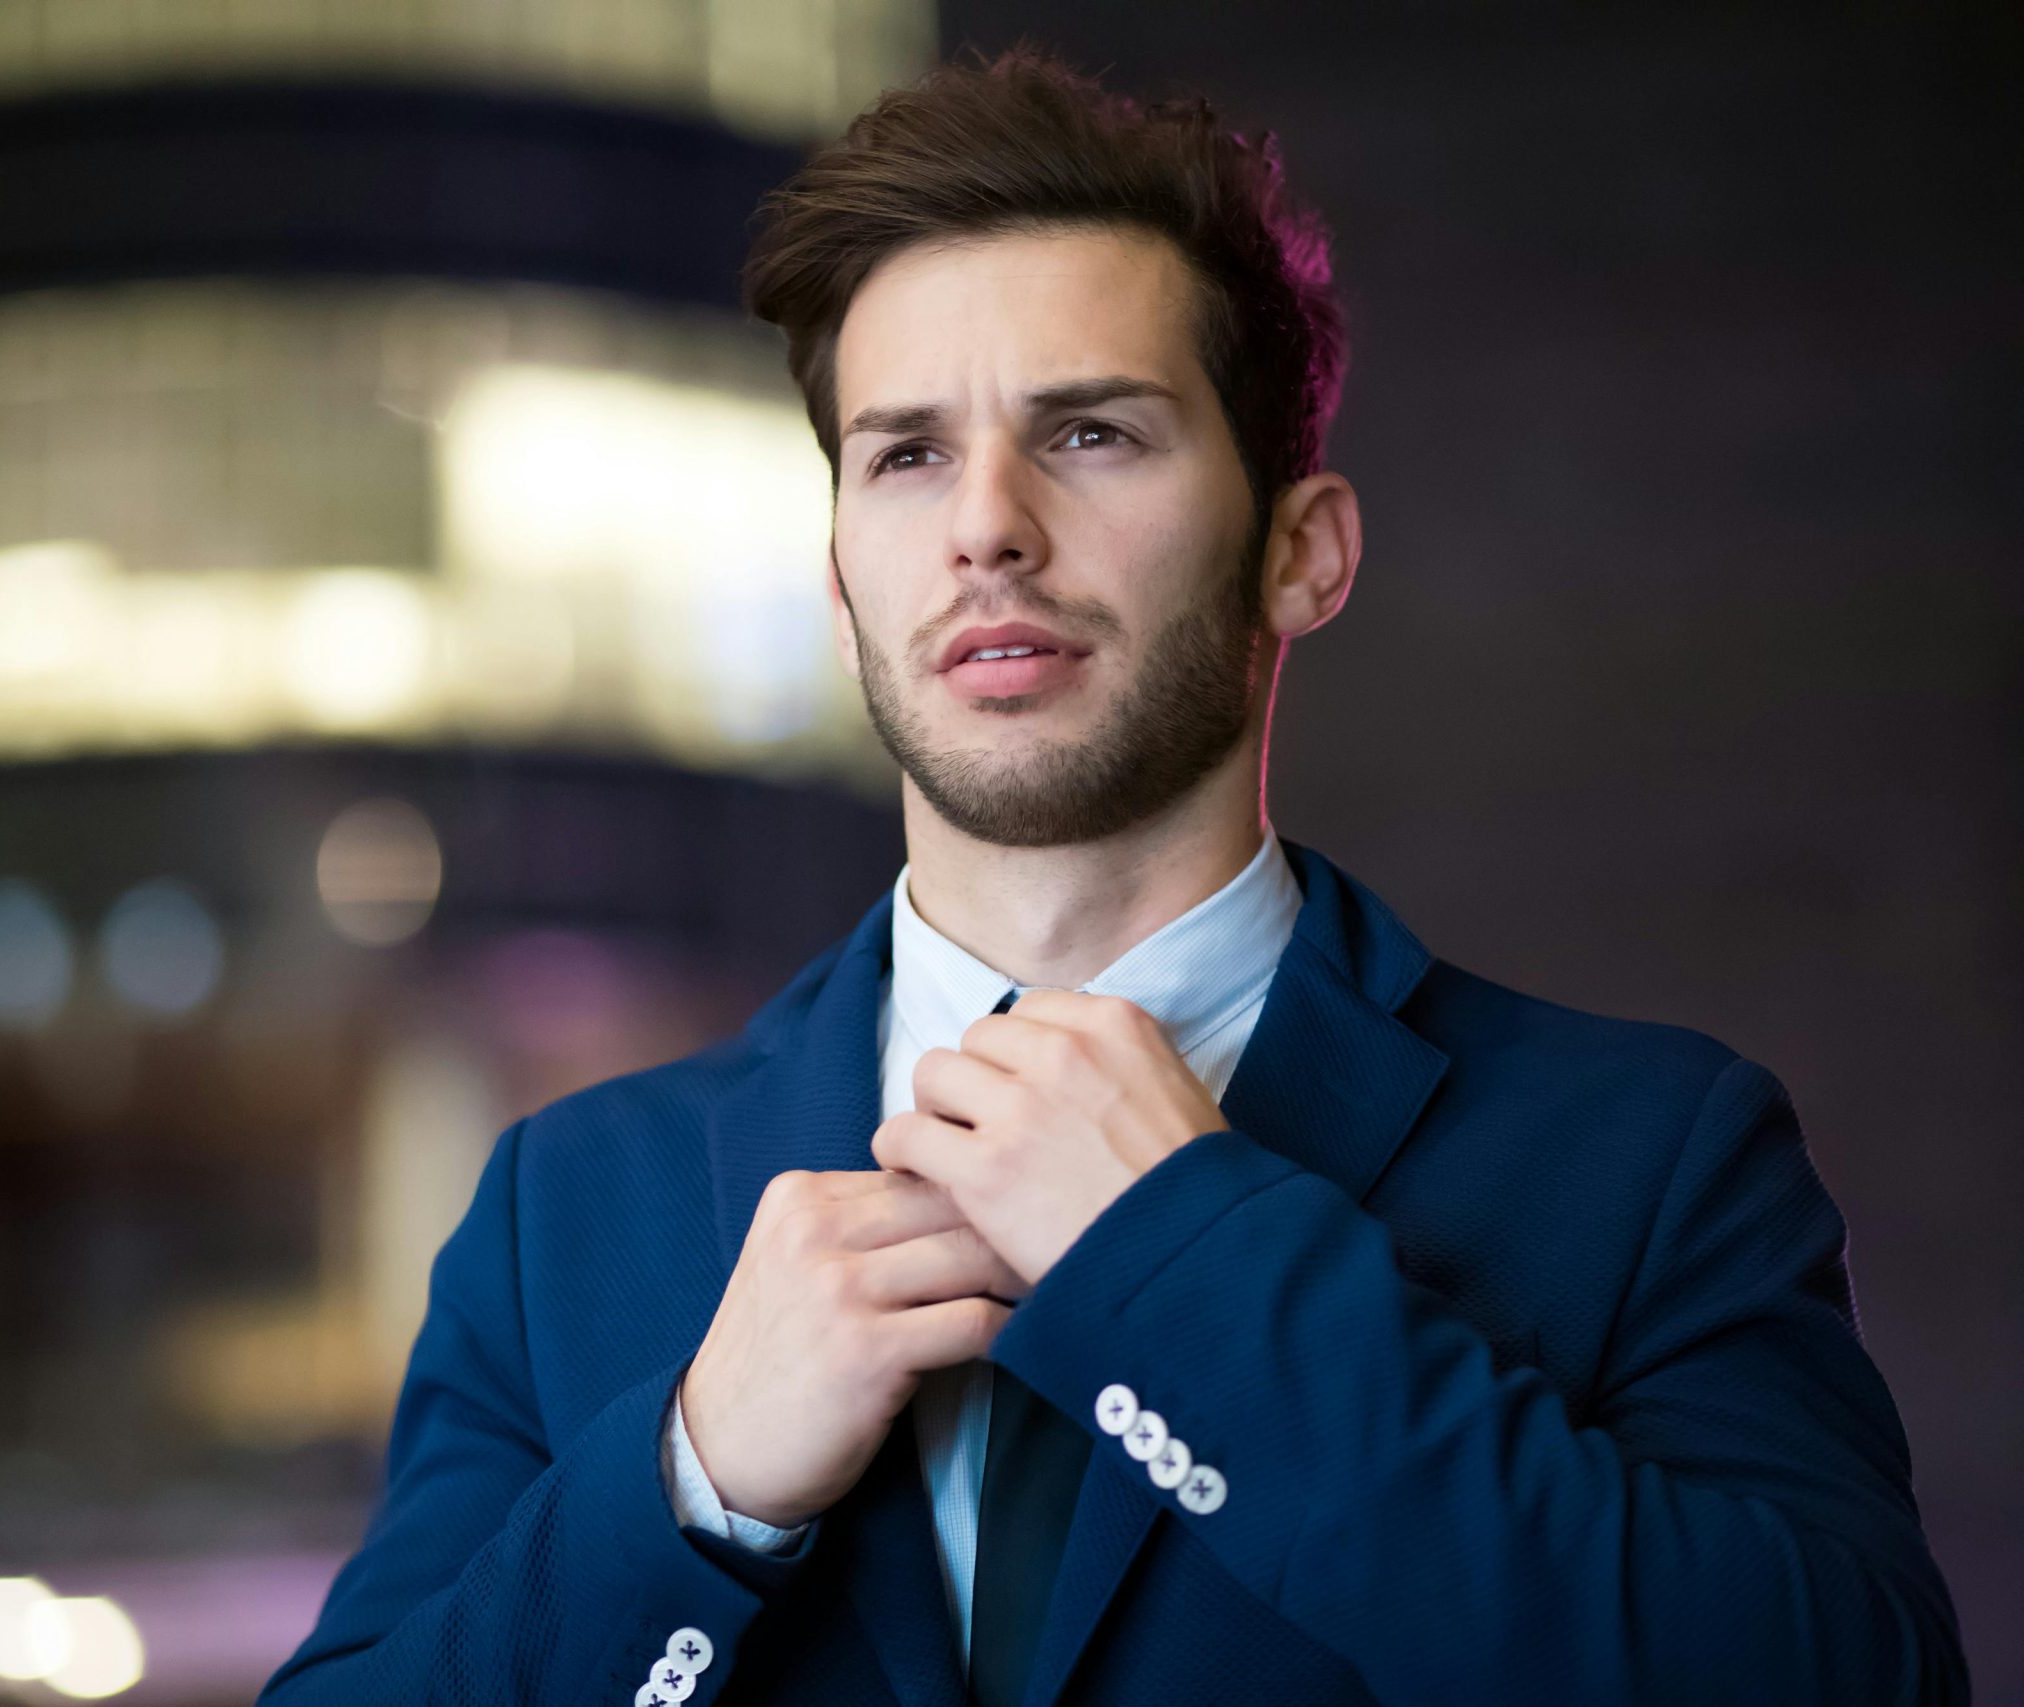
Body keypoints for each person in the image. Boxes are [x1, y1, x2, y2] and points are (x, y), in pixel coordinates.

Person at [259, 47, 1968, 1706]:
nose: (984, 524)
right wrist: (694, 1480)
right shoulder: (563, 1215)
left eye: (1089, 434)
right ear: (845, 581)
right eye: (907, 452)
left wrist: (1192, 1268)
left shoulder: (1653, 1159)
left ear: (1299, 555)